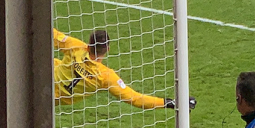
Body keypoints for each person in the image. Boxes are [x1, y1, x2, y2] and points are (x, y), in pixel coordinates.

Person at [53, 29, 196, 110]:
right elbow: (135, 99)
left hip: (44, 73)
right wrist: (170, 102)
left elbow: (51, 34)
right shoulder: (106, 77)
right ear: (107, 49)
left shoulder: (76, 47)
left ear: (89, 45)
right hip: (53, 97)